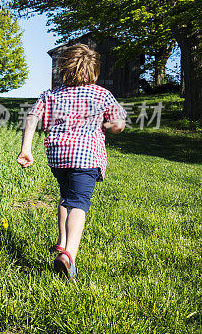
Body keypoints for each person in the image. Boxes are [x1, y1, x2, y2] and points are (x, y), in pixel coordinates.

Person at [16, 44, 126, 278]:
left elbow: (32, 117)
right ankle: (68, 256)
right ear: (94, 70)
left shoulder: (51, 94)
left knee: (66, 197)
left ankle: (61, 242)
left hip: (58, 156)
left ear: (63, 69)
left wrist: (26, 149)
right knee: (79, 203)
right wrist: (106, 125)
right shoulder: (101, 94)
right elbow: (118, 125)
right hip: (86, 156)